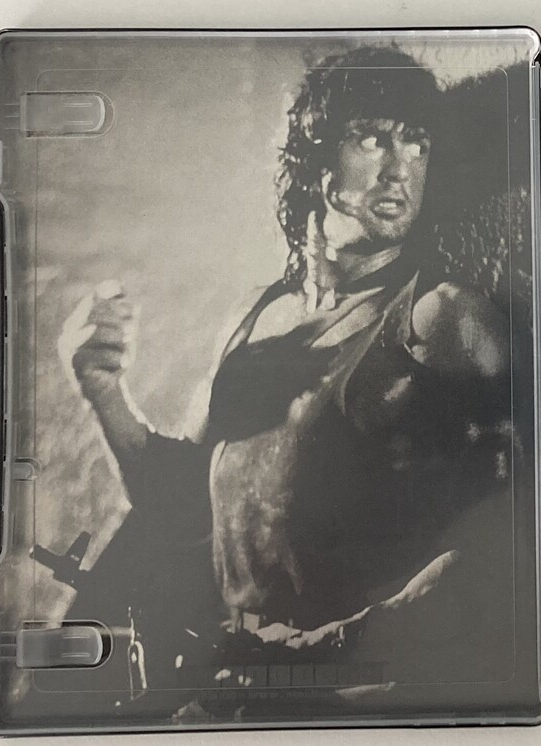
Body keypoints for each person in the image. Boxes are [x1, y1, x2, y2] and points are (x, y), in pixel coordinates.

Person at [57, 46, 516, 694]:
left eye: (417, 143)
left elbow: (523, 524)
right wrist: (103, 392)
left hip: (366, 700)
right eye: (373, 138)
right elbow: (183, 507)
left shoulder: (442, 319)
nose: (400, 168)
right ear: (317, 156)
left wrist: (336, 650)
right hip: (241, 693)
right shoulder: (258, 316)